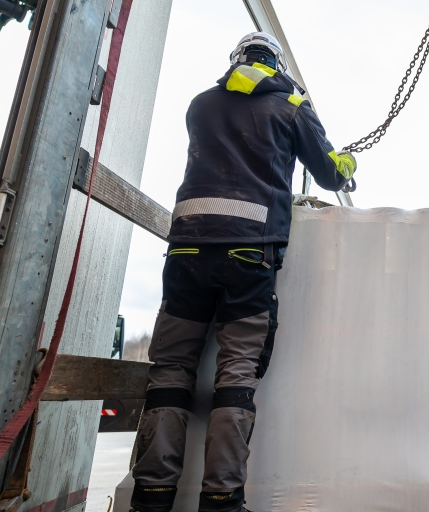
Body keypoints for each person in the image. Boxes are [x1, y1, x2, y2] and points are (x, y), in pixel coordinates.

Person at [130, 32, 356, 512]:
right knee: (236, 376)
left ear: (236, 61)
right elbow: (331, 173)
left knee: (169, 371)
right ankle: (222, 500)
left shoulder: (200, 105)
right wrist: (347, 163)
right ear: (277, 65)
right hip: (248, 256)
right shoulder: (291, 106)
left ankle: (151, 497)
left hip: (187, 252)